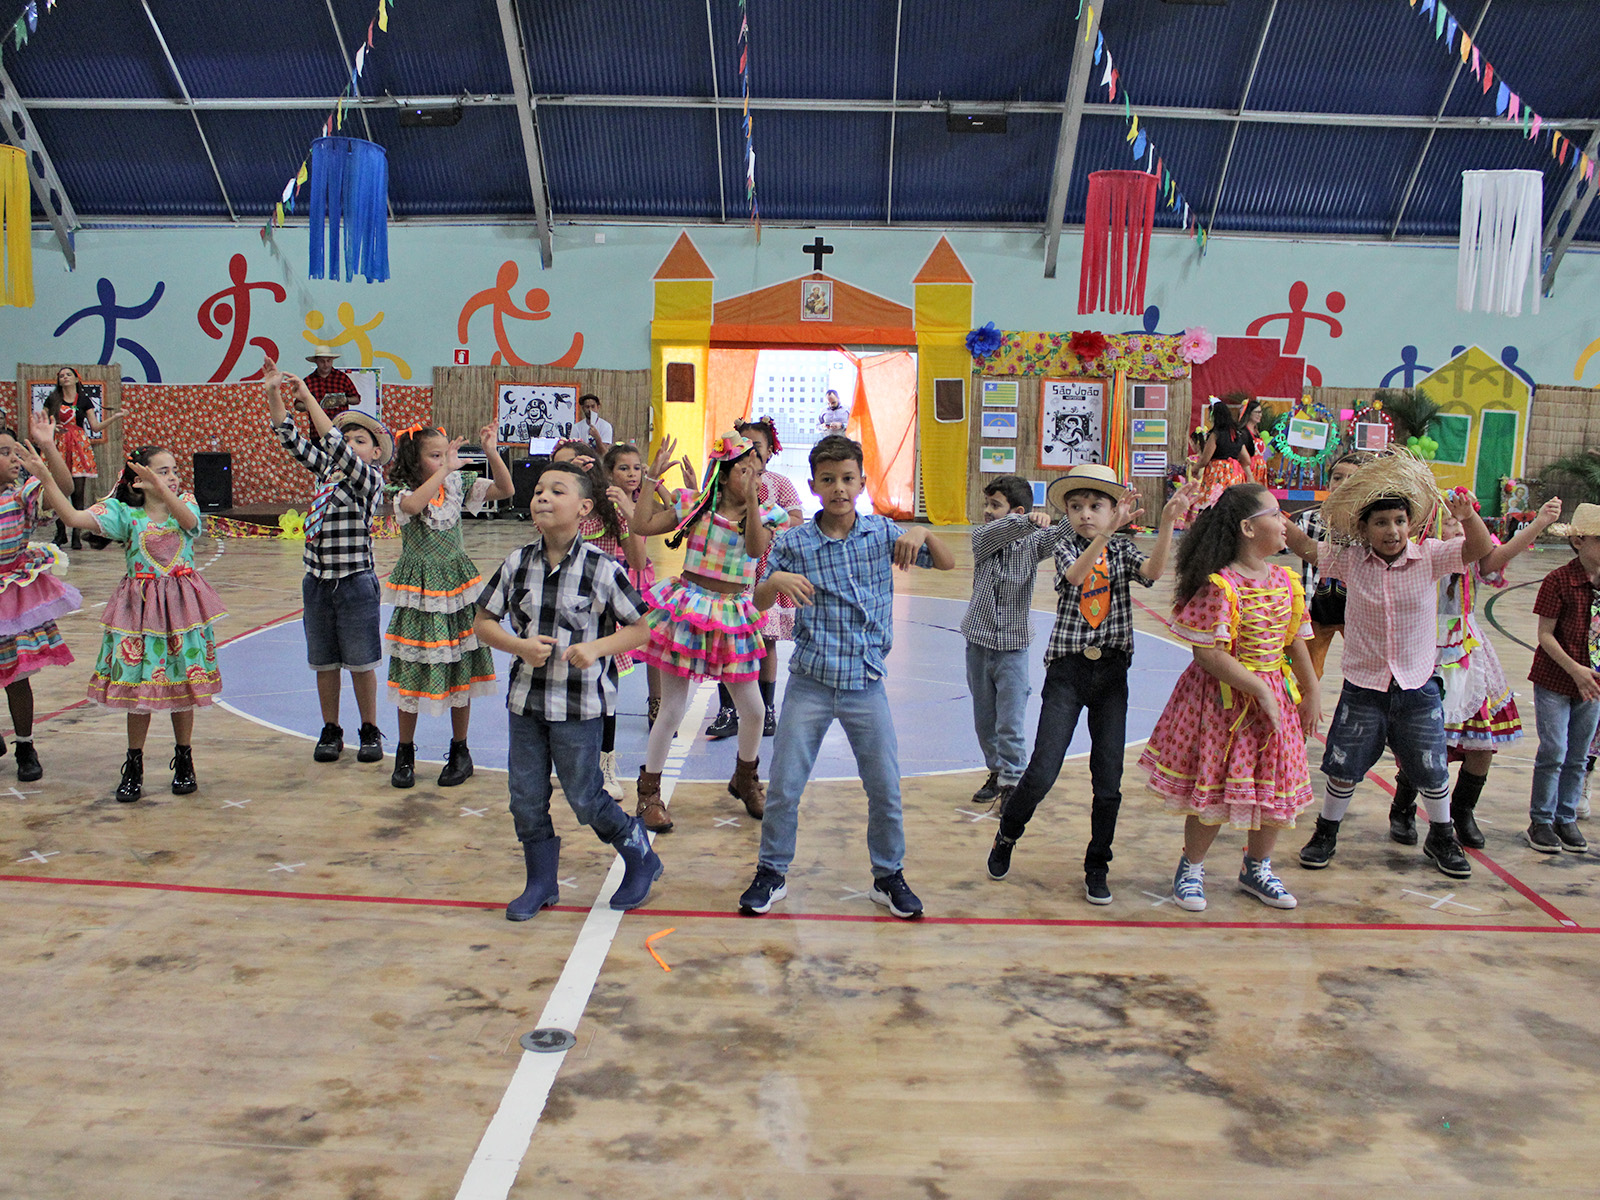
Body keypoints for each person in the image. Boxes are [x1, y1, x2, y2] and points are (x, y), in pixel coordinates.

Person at [738, 434, 955, 919]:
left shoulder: (882, 534)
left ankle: (888, 876)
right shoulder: (793, 541)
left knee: (885, 788)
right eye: (828, 479)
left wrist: (923, 533)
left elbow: (947, 562)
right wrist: (773, 582)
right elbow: (757, 602)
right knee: (785, 787)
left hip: (865, 684)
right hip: (810, 683)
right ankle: (771, 872)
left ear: (861, 483)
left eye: (848, 478)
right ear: (814, 485)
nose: (839, 487)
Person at [986, 466, 1193, 905]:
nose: (1085, 514)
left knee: (1108, 780)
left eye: (1096, 506)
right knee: (1042, 770)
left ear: (1113, 509)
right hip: (1068, 673)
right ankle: (1008, 832)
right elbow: (1078, 577)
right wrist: (1105, 534)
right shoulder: (1065, 546)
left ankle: (1098, 864)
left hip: (1111, 675)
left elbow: (1153, 571)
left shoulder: (1121, 549)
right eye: (1076, 507)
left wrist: (1168, 523)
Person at [1284, 456, 1490, 878]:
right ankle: (1325, 832)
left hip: (1417, 686)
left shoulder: (1430, 557)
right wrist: (1273, 514)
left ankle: (1442, 836)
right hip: (1364, 686)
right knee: (1343, 765)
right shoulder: (1350, 560)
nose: (1392, 530)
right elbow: (1305, 547)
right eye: (1381, 522)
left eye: (1399, 521)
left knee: (1431, 767)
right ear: (1364, 529)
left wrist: (1469, 518)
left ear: (1410, 524)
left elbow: (1479, 550)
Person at [473, 461, 660, 920]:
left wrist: (595, 648)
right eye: (539, 489)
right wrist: (518, 646)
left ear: (584, 508)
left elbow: (642, 627)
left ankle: (640, 854)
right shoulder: (517, 563)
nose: (543, 496)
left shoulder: (602, 568)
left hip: (580, 707)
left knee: (584, 796)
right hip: (526, 703)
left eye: (557, 490)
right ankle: (541, 882)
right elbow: (482, 622)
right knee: (524, 798)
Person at [1140, 484, 1320, 912]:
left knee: (1274, 785)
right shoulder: (1221, 585)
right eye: (1275, 514)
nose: (1284, 522)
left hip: (1274, 699)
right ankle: (1191, 866)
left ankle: (1257, 867)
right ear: (1248, 528)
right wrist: (1258, 689)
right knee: (1215, 786)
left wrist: (1311, 690)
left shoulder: (1286, 581)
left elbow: (1294, 639)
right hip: (1223, 703)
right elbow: (1208, 654)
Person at [23, 441, 225, 801]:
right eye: (162, 472)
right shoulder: (125, 515)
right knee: (139, 689)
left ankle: (184, 759)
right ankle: (134, 763)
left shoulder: (186, 503)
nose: (172, 477)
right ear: (137, 481)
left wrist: (163, 487)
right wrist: (45, 477)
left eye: (174, 471)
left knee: (183, 687)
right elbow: (72, 517)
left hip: (182, 613)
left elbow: (191, 523)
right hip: (140, 615)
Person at [629, 431, 786, 830]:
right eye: (744, 470)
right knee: (672, 709)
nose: (752, 476)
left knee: (754, 710)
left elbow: (755, 549)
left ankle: (745, 778)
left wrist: (753, 501)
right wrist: (651, 480)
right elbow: (642, 524)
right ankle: (648, 793)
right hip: (688, 609)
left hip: (732, 614)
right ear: (724, 473)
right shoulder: (694, 506)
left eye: (757, 470)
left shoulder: (766, 513)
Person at [1388, 493, 1562, 850]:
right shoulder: (1417, 558)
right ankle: (1403, 806)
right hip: (1425, 649)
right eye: (1447, 522)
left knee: (1482, 741)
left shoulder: (1471, 559)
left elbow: (1503, 553)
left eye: (1459, 522)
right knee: (1423, 739)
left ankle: (1463, 810)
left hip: (1469, 652)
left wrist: (1540, 522)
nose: (1455, 529)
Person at [262, 357, 390, 766]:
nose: (349, 443)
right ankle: (331, 729)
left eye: (359, 440)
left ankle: (369, 728)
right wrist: (274, 393)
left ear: (375, 453)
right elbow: (289, 437)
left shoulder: (369, 480)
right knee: (324, 662)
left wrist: (307, 396)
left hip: (354, 582)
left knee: (362, 662)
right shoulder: (327, 474)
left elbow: (333, 444)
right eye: (346, 437)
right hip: (317, 581)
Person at [382, 423, 514, 790]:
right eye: (435, 455)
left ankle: (460, 750)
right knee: (411, 666)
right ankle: (405, 752)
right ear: (415, 459)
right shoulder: (402, 489)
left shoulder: (456, 483)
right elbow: (412, 506)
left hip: (457, 587)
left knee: (460, 664)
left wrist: (491, 452)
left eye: (447, 453)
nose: (445, 460)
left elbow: (506, 489)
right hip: (420, 592)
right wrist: (444, 470)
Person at [961, 474, 1066, 811]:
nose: (987, 510)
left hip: (1013, 647)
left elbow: (1064, 531)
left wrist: (1085, 508)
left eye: (995, 505)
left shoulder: (1033, 545)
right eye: (987, 504)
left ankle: (1012, 780)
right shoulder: (983, 537)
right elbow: (1000, 531)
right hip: (979, 644)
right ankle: (995, 770)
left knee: (1010, 721)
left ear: (1016, 509)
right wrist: (1027, 521)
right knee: (984, 720)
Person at [707, 416, 803, 741]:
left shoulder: (778, 484)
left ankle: (767, 708)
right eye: (743, 444)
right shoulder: (726, 483)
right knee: (727, 639)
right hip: (731, 571)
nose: (750, 452)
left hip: (766, 569)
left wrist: (770, 521)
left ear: (770, 451)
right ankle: (728, 710)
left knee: (766, 641)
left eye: (757, 446)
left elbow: (796, 518)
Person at [0, 413, 82, 781]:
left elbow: (64, 488)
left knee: (16, 675)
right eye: (5, 453)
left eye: (15, 453)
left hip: (11, 597)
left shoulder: (20, 495)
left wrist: (47, 446)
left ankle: (25, 745)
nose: (14, 460)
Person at [567, 450, 647, 799]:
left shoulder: (614, 510)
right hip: (564, 611)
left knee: (605, 693)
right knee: (565, 690)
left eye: (582, 465)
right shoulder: (561, 510)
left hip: (602, 613)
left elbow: (638, 561)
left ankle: (605, 765)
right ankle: (568, 761)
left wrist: (626, 512)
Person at [1522, 503, 1600, 855]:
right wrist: (1575, 669)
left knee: (1579, 754)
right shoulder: (1559, 581)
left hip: (1592, 686)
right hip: (1555, 679)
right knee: (1554, 749)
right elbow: (1545, 635)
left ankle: (1565, 817)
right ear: (1579, 541)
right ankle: (1540, 820)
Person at [1289, 452, 1367, 678]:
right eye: (1337, 478)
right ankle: (1305, 702)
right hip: (1316, 613)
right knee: (1308, 673)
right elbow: (1281, 545)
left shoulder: (1369, 525)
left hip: (1355, 613)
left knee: (1363, 669)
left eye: (1352, 479)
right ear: (1328, 483)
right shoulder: (1310, 520)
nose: (1343, 484)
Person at [43, 367, 122, 550]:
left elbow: (95, 427)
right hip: (58, 447)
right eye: (61, 376)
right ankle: (60, 533)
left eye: (68, 375)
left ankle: (76, 535)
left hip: (78, 448)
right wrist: (52, 427)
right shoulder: (52, 399)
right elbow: (42, 420)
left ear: (76, 379)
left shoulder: (84, 400)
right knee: (58, 491)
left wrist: (115, 418)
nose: (64, 377)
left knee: (78, 492)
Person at [1181, 399, 1256, 523]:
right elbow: (1246, 460)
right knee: (1230, 505)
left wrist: (1195, 468)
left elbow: (1205, 459)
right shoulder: (1236, 435)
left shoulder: (1216, 434)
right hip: (1234, 475)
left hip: (1217, 473)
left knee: (1212, 505)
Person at [303, 346, 361, 418]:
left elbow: (356, 399)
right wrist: (312, 405)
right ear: (316, 361)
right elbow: (298, 405)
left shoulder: (342, 378)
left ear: (332, 360)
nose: (326, 364)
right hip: (317, 423)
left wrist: (344, 400)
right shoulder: (308, 381)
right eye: (322, 361)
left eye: (329, 360)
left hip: (339, 422)